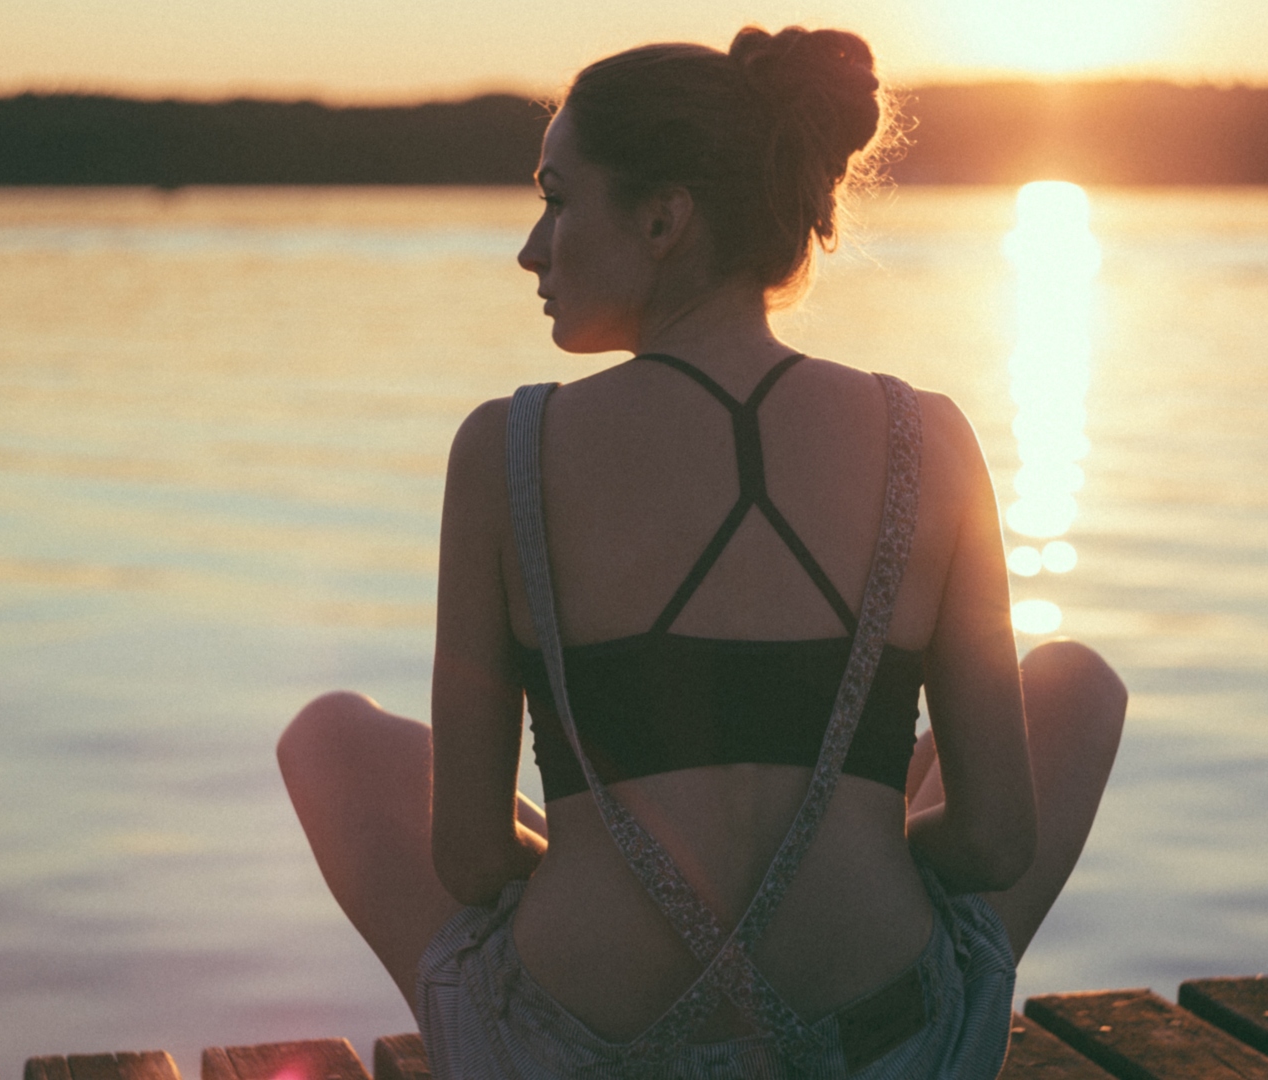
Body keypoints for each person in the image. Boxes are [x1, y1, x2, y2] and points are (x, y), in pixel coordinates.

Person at [278, 25, 1127, 1078]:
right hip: (882, 1049)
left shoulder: (505, 449)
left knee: (329, 736)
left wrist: (602, 857)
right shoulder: (932, 439)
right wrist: (861, 851)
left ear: (665, 217)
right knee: (1076, 682)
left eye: (555, 198)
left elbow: (470, 857)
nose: (531, 250)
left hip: (579, 1053)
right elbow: (996, 843)